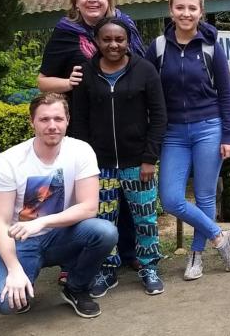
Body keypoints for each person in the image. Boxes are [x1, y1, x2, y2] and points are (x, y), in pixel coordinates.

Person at [37, 0, 141, 283]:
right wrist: (68, 83)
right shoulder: (65, 33)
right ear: (76, 1)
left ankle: (128, 253)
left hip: (123, 122)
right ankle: (76, 256)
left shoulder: (125, 27)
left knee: (122, 191)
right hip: (82, 124)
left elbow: (141, 66)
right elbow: (43, 81)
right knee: (79, 192)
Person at [0, 93, 118, 318]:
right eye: (44, 119)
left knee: (105, 232)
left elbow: (89, 207)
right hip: (21, 241)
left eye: (58, 119)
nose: (52, 126)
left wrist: (42, 222)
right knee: (6, 304)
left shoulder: (81, 151)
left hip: (63, 235)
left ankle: (75, 287)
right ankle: (22, 276)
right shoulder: (9, 161)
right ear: (32, 122)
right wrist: (14, 269)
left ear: (68, 120)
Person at [145, 0, 230, 280]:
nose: (186, 13)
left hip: (208, 128)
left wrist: (228, 135)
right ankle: (220, 236)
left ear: (201, 12)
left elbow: (225, 94)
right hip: (173, 132)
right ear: (171, 10)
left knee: (204, 195)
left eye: (192, 8)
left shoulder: (211, 48)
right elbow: (144, 87)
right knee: (171, 198)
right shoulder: (158, 47)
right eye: (180, 7)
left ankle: (196, 257)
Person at [71, 17, 168, 296]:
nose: (113, 44)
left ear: (128, 41)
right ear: (96, 42)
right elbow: (79, 121)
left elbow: (159, 116)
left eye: (119, 39)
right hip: (99, 167)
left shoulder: (145, 71)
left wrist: (149, 157)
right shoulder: (86, 74)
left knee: (145, 218)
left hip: (138, 163)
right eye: (107, 39)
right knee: (104, 221)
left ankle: (149, 267)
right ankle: (107, 269)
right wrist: (87, 163)